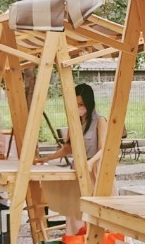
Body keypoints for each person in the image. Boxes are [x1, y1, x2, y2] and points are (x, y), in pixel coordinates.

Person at [34, 82, 107, 235]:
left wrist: (90, 162)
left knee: (98, 214)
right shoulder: (75, 122)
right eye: (76, 104)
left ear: (89, 102)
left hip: (95, 171)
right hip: (78, 170)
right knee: (76, 213)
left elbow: (104, 149)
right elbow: (68, 148)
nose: (79, 107)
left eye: (81, 103)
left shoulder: (100, 121)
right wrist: (46, 158)